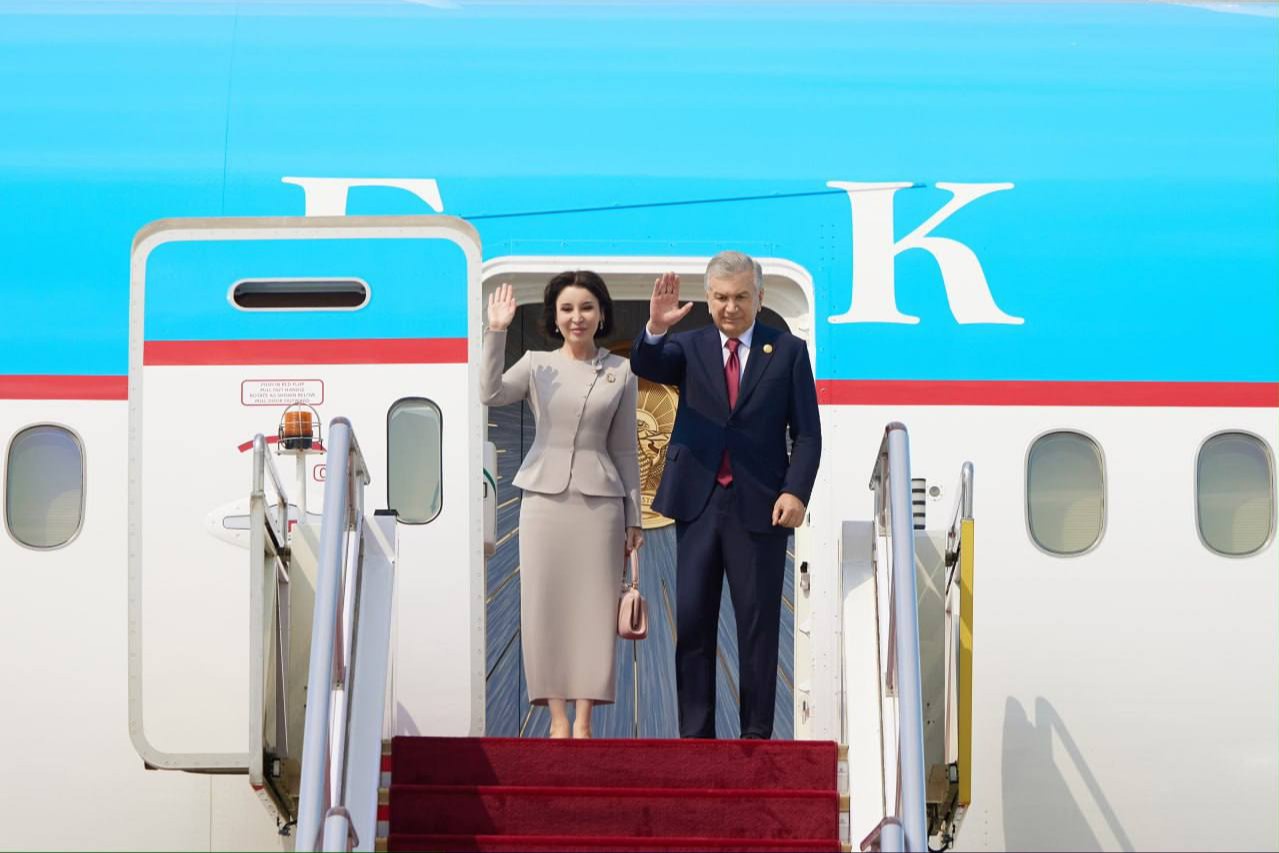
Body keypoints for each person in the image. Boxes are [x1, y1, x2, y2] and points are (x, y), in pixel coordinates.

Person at [630, 251, 821, 740]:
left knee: (757, 625)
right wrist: (655, 327)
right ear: (708, 298)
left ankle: (755, 736)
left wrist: (795, 491)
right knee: (694, 622)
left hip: (761, 506)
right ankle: (696, 738)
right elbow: (647, 363)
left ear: (760, 296)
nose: (730, 307)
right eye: (720, 298)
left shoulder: (788, 351)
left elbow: (806, 434)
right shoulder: (687, 346)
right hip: (699, 502)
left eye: (740, 297)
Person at [480, 271, 644, 739]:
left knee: (594, 607)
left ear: (602, 314)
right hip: (543, 501)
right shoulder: (536, 364)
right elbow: (489, 393)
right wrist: (497, 331)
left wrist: (634, 516)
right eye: (567, 308)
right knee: (545, 604)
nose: (577, 317)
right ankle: (556, 719)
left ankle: (585, 721)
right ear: (554, 317)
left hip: (601, 505)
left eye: (587, 307)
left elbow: (625, 449)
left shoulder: (622, 370)